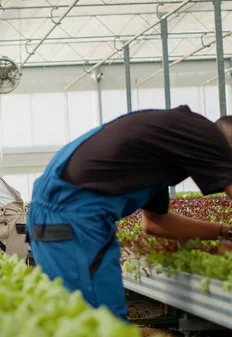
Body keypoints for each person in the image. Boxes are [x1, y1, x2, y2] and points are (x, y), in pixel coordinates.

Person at [26, 104, 232, 322]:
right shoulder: (205, 133)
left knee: (78, 319)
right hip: (73, 221)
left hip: (54, 218)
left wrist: (226, 231)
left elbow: (156, 223)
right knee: (102, 321)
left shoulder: (164, 145)